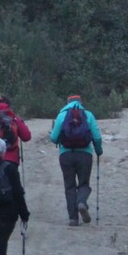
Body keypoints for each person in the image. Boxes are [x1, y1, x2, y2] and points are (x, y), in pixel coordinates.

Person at [49, 94, 103, 226]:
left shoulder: (62, 115)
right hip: (85, 154)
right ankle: (81, 202)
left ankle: (73, 219)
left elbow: (54, 138)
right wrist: (98, 150)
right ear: (81, 102)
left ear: (67, 102)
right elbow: (97, 137)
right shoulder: (88, 115)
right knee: (84, 183)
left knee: (69, 186)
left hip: (66, 155)